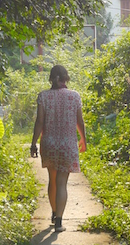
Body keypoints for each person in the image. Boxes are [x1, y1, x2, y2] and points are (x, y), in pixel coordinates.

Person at [30, 65, 87, 232]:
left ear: (51, 78)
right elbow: (80, 122)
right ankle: (59, 222)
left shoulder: (43, 97)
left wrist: (33, 143)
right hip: (68, 145)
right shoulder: (74, 96)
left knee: (52, 181)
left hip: (49, 144)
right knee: (62, 184)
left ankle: (54, 213)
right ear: (66, 78)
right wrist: (83, 140)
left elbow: (39, 122)